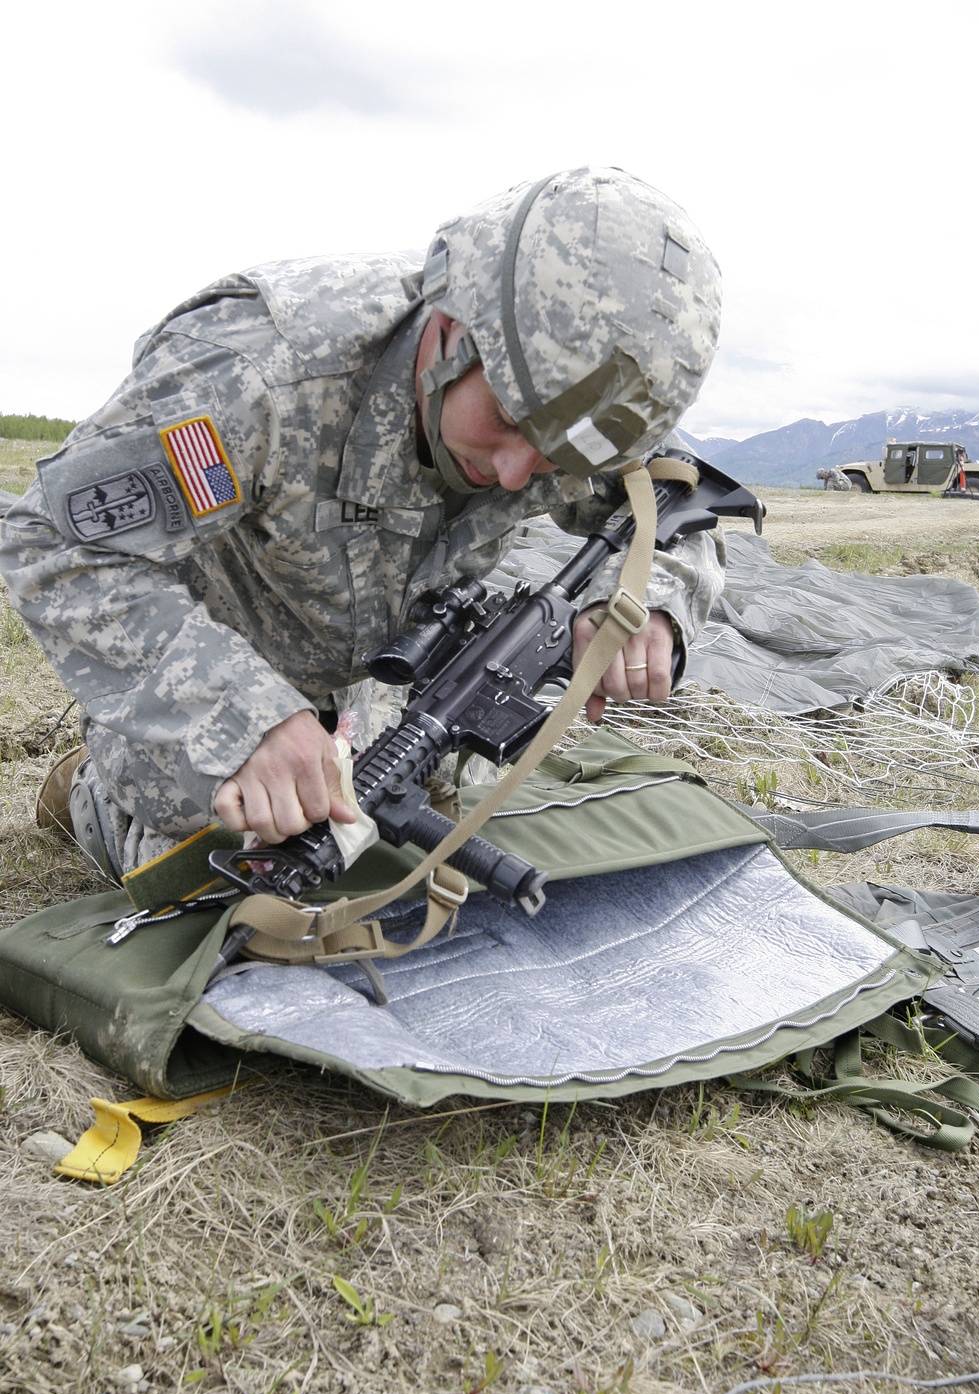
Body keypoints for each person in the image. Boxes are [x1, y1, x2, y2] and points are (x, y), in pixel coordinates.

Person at [0, 167, 726, 877]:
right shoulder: (259, 373)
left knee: (402, 861)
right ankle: (95, 793)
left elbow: (673, 502)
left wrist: (642, 603)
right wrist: (238, 717)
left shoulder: (579, 400)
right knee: (241, 880)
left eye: (553, 459)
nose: (513, 473)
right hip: (220, 686)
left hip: (391, 691)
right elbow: (52, 541)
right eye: (506, 421)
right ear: (451, 328)